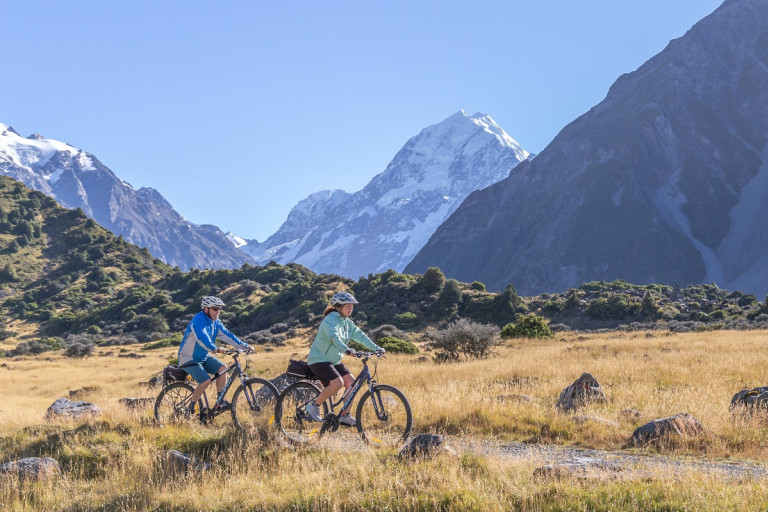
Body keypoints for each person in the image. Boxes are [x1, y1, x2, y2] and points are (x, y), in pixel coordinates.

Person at [305, 291, 384, 427]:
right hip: (319, 359)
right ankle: (313, 406)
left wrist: (376, 348)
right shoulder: (330, 320)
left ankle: (345, 416)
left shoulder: (347, 323)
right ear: (339, 306)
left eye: (352, 306)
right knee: (338, 383)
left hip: (333, 361)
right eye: (348, 306)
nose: (351, 308)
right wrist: (346, 349)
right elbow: (334, 338)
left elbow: (361, 336)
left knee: (352, 384)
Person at [178, 296, 252, 414]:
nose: (218, 312)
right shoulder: (198, 319)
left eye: (219, 309)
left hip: (203, 357)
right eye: (215, 309)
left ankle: (220, 402)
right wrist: (215, 348)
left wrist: (244, 346)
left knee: (223, 369)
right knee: (205, 381)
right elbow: (202, 337)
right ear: (206, 309)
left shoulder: (215, 322)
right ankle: (190, 408)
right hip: (188, 358)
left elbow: (228, 335)